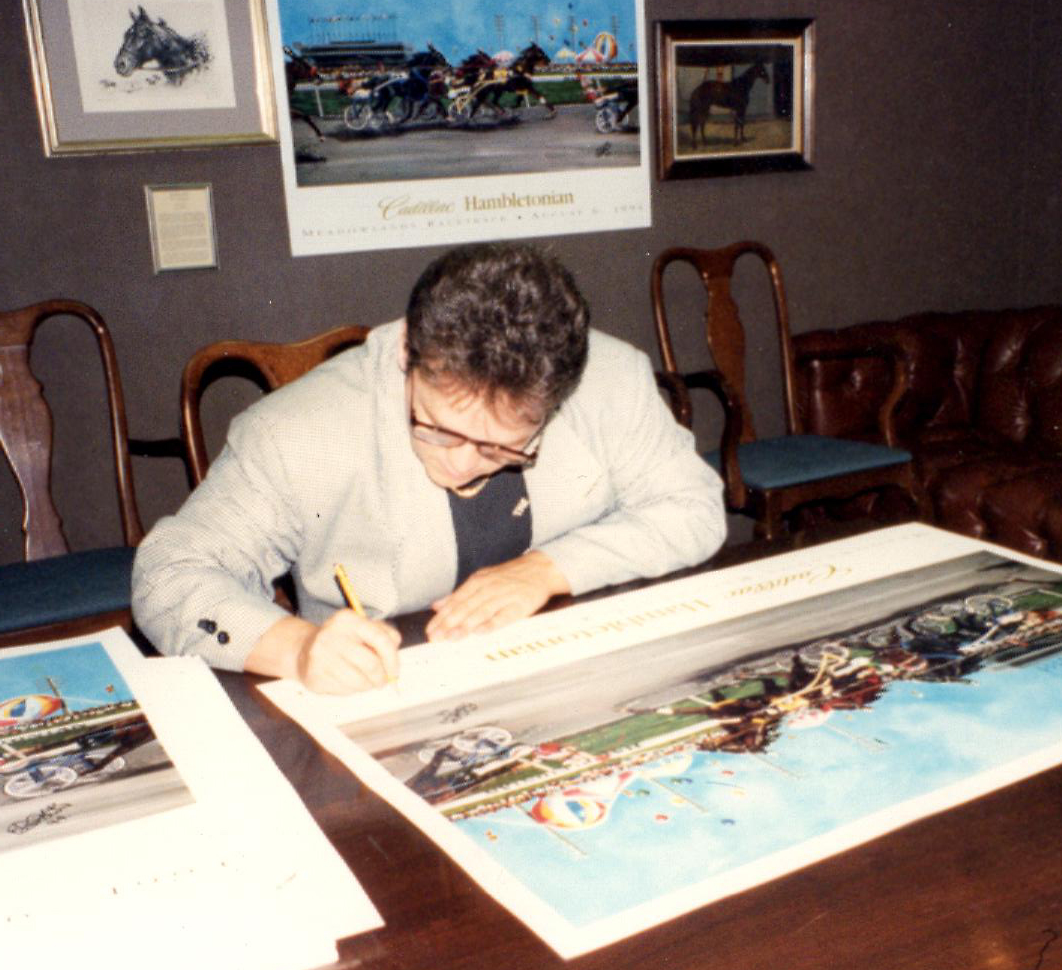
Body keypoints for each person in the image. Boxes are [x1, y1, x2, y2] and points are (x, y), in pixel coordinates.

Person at [132, 242, 726, 694]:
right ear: (406, 352)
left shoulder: (610, 380)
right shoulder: (297, 433)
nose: (465, 465)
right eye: (440, 429)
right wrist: (298, 649)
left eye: (503, 448)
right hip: (386, 693)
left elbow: (694, 508)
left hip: (569, 675)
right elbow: (169, 574)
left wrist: (549, 569)